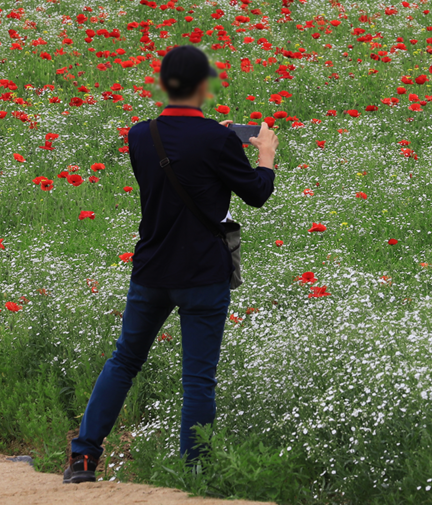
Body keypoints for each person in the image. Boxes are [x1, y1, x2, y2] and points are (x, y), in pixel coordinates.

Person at [64, 46, 277, 484]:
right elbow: (256, 193)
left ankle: (82, 459)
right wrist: (266, 155)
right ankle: (193, 474)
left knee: (124, 362)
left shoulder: (141, 135)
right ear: (205, 86)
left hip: (152, 270)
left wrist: (208, 139)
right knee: (198, 379)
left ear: (162, 85)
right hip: (202, 275)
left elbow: (175, 169)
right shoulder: (218, 140)